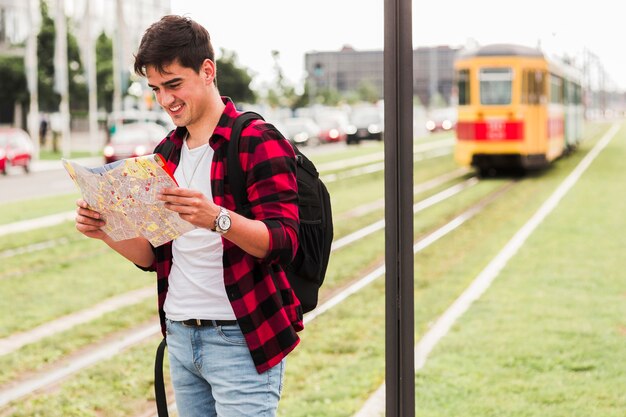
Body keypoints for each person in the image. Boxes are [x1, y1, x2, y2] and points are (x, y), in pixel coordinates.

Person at [74, 15, 302, 417]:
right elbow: (152, 255)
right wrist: (106, 230)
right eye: (156, 89)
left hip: (239, 337)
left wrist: (217, 218)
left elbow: (284, 242)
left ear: (207, 70)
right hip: (180, 335)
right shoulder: (167, 152)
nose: (165, 100)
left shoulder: (257, 140)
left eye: (174, 84)